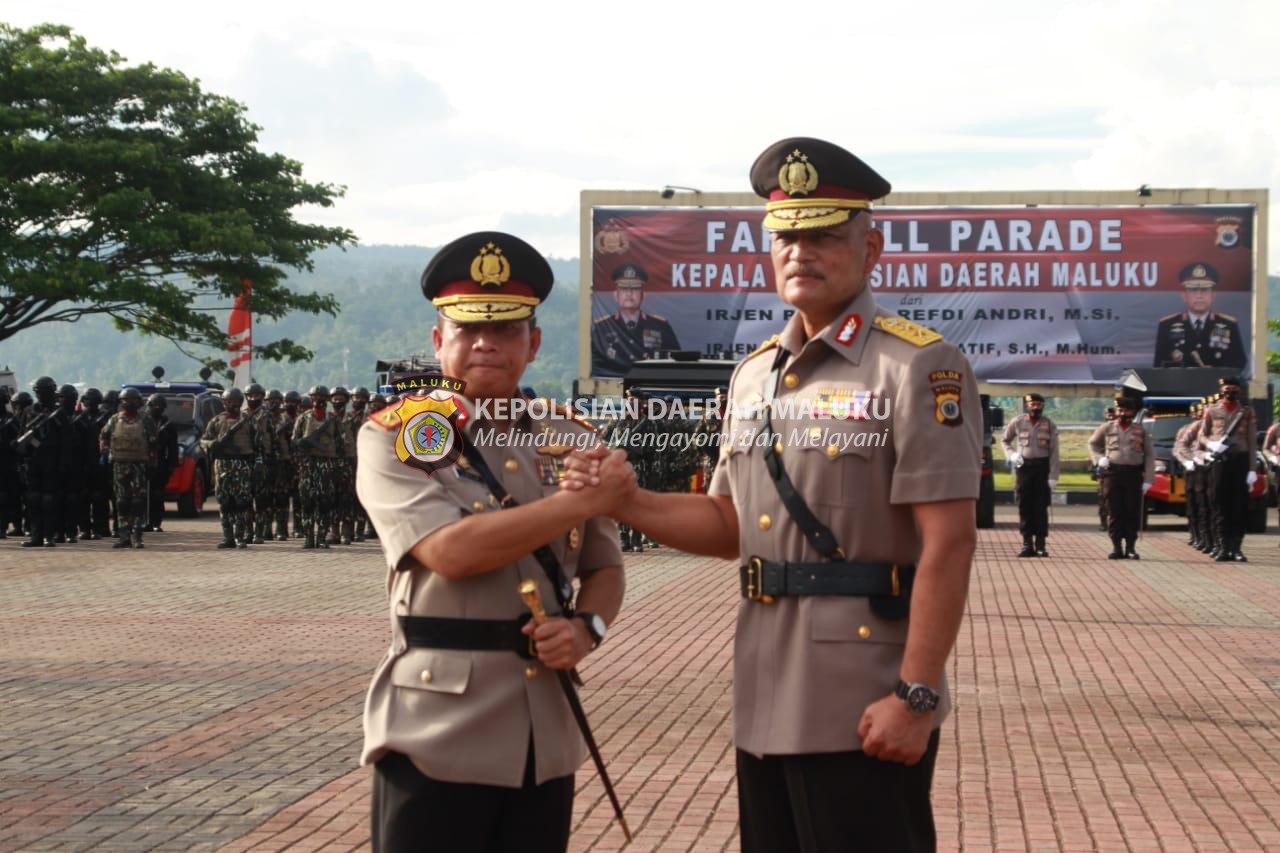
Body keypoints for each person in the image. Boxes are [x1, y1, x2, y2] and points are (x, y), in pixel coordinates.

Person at [568, 137, 980, 851]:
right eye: (786, 236)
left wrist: (916, 695)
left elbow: (949, 540)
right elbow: (730, 524)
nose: (801, 252)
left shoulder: (915, 365)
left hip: (866, 694)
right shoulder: (755, 375)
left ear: (871, 246)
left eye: (823, 235)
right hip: (765, 684)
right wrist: (624, 502)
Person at [354, 231, 626, 853]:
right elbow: (452, 552)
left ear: (532, 343)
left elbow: (605, 565)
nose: (486, 344)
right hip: (436, 728)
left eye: (505, 331)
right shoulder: (396, 437)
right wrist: (576, 501)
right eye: (469, 329)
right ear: (438, 341)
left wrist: (589, 627)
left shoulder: (566, 435)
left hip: (543, 726)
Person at [1198, 376, 1257, 561]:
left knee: (1238, 505)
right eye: (1226, 388)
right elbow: (1202, 435)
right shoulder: (1212, 409)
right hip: (1220, 461)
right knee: (1219, 503)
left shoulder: (1246, 411)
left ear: (1239, 391)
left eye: (1233, 388)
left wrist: (1252, 469)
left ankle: (1236, 547)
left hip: (1240, 460)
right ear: (1221, 390)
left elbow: (1252, 441)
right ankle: (1222, 546)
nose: (1229, 391)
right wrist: (1212, 444)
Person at [1089, 396, 1154, 559]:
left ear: (1132, 412)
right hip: (1113, 474)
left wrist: (1148, 480)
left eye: (1125, 410)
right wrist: (1098, 459)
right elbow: (1092, 444)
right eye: (1119, 409)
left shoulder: (1140, 430)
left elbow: (1150, 455)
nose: (1122, 413)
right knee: (1115, 511)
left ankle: (1130, 547)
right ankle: (1116, 547)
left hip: (1133, 474)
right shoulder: (1107, 427)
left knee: (1132, 511)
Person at [590, 262, 681, 377]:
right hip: (613, 388)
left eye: (635, 288)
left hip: (650, 388)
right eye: (623, 288)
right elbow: (595, 366)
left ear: (643, 294)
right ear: (616, 295)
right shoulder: (602, 328)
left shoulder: (660, 326)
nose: (629, 293)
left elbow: (675, 364)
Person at [1152, 262, 1246, 369]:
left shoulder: (1228, 324)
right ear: (1184, 296)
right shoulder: (1167, 325)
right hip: (1180, 385)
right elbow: (1159, 366)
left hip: (1215, 384)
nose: (1199, 296)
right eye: (1193, 290)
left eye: (1205, 290)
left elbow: (1239, 364)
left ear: (1213, 295)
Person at [1001, 392, 1060, 557]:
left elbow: (1055, 452)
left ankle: (1040, 544)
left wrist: (1053, 476)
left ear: (1043, 406)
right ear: (1027, 406)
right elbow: (1004, 440)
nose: (1036, 407)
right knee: (1025, 505)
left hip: (1042, 468)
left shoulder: (1049, 424)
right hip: (1024, 467)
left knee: (1040, 507)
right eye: (1032, 404)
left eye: (1039, 405)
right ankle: (1027, 543)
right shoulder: (1018, 422)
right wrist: (1011, 454)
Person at [100, 387, 158, 549]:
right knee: (122, 502)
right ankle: (124, 536)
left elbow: (154, 444)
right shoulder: (114, 420)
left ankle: (138, 536)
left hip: (139, 465)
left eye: (132, 400)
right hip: (120, 464)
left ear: (139, 402)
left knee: (138, 503)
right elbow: (104, 436)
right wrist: (104, 451)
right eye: (125, 400)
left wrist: (153, 464)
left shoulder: (146, 420)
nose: (129, 403)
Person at [202, 387, 259, 549]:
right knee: (225, 502)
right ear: (224, 403)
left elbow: (259, 444)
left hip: (242, 464)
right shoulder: (216, 421)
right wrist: (212, 444)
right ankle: (228, 537)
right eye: (228, 402)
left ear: (241, 403)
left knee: (241, 502)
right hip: (223, 464)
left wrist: (257, 465)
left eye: (235, 402)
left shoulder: (249, 421)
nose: (232, 405)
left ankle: (240, 536)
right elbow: (204, 440)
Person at [146, 394, 179, 533]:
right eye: (154, 405)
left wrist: (171, 464)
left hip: (160, 464)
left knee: (157, 495)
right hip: (142, 462)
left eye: (160, 406)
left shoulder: (167, 424)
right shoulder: (142, 421)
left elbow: (173, 447)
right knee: (141, 495)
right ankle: (142, 522)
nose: (157, 408)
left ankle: (156, 522)